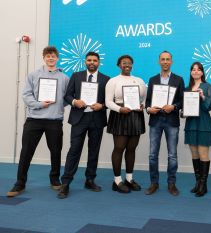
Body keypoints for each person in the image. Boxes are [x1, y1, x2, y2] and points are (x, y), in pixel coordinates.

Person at [7, 46, 69, 197]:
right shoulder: (33, 75)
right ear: (44, 58)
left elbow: (67, 98)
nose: (51, 58)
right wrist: (40, 104)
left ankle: (54, 179)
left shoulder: (64, 78)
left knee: (55, 152)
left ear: (57, 58)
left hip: (54, 121)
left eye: (53, 56)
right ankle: (20, 183)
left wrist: (56, 105)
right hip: (34, 120)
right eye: (48, 56)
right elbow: (26, 95)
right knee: (26, 152)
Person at [57, 51, 110, 199]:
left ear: (99, 62)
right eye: (89, 60)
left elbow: (109, 100)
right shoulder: (76, 76)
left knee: (94, 151)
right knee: (74, 150)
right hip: (79, 118)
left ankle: (90, 180)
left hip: (97, 118)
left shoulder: (106, 79)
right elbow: (67, 95)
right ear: (85, 62)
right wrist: (75, 102)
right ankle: (66, 183)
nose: (92, 62)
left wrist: (102, 105)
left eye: (94, 60)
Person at [144, 51, 185, 196]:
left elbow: (182, 100)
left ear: (172, 62)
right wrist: (149, 109)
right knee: (152, 155)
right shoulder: (152, 79)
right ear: (159, 61)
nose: (165, 62)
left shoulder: (179, 80)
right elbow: (148, 101)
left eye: (168, 59)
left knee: (172, 155)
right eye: (163, 59)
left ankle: (171, 184)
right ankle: (154, 183)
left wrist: (173, 107)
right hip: (155, 120)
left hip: (172, 120)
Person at [105, 55, 146, 193]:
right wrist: (120, 109)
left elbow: (145, 99)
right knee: (119, 148)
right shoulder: (113, 81)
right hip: (120, 115)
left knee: (131, 149)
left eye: (129, 63)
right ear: (119, 65)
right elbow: (108, 102)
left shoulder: (139, 80)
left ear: (132, 65)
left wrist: (143, 106)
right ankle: (117, 180)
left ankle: (129, 179)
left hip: (136, 116)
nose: (127, 65)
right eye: (124, 63)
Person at [184, 62, 211, 197]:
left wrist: (202, 97)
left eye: (198, 69)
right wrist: (182, 111)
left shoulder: (208, 87)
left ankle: (204, 184)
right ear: (191, 72)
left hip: (203, 123)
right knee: (194, 155)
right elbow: (183, 108)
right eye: (193, 69)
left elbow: (209, 106)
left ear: (202, 72)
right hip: (191, 124)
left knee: (203, 155)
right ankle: (197, 182)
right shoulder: (187, 88)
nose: (195, 71)